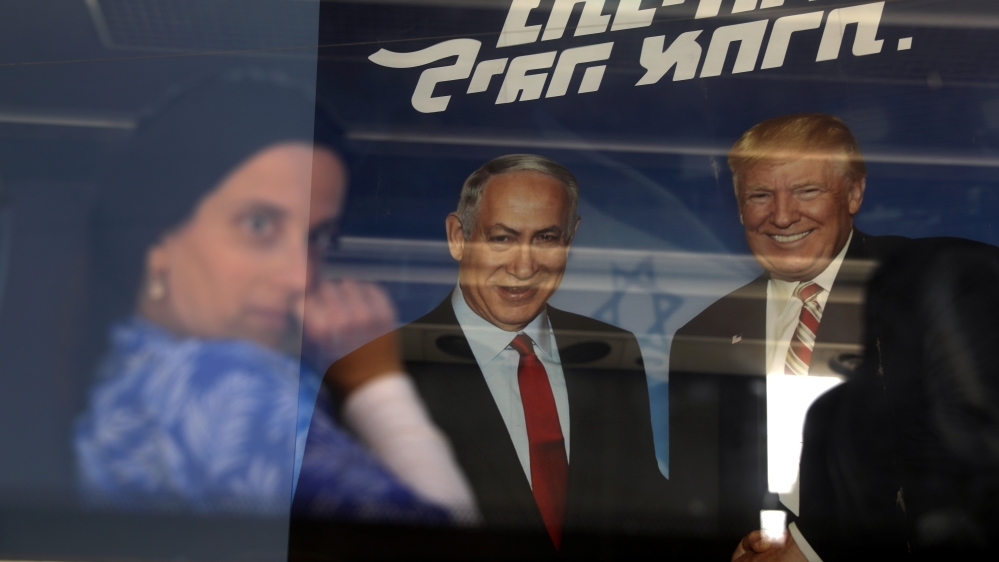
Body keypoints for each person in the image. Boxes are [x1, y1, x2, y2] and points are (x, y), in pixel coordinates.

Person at [73, 70, 475, 521]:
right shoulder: (223, 383)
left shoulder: (136, 378)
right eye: (259, 225)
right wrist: (375, 381)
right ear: (158, 239)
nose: (299, 277)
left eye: (318, 238)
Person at [299, 154, 670, 557]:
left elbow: (646, 515)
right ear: (458, 236)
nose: (524, 266)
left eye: (546, 238)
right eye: (502, 238)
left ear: (570, 238)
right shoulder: (377, 369)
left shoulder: (611, 350)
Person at [667, 114, 906, 560]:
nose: (781, 215)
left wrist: (813, 549)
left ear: (853, 192)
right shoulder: (704, 334)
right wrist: (736, 546)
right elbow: (696, 494)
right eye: (760, 195)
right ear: (740, 206)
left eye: (806, 190)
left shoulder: (926, 289)